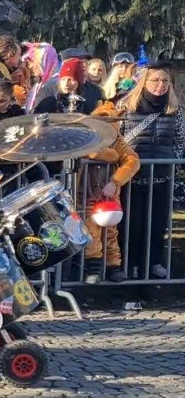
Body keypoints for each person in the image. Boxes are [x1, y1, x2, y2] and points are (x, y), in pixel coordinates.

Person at [116, 63, 181, 280]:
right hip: (132, 176)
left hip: (162, 174)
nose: (160, 85)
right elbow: (117, 139)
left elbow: (181, 140)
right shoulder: (127, 106)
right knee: (131, 225)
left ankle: (153, 261)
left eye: (165, 81)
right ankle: (130, 264)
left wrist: (171, 158)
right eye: (155, 80)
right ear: (145, 82)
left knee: (157, 223)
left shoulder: (176, 110)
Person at [81, 102, 140, 284]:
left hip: (109, 198)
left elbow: (132, 161)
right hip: (85, 194)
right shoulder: (85, 139)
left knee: (111, 232)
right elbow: (95, 154)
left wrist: (116, 181)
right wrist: (107, 155)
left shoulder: (117, 141)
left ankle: (113, 266)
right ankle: (94, 269)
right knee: (90, 232)